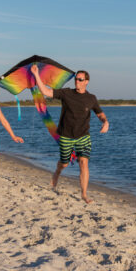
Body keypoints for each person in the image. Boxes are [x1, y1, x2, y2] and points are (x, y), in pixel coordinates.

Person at [33, 64, 109, 204]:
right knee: (64, 164)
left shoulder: (91, 98)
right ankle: (57, 173)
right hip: (66, 135)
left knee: (83, 163)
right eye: (76, 79)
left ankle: (84, 194)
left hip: (83, 136)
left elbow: (99, 113)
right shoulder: (66, 93)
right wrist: (37, 75)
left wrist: (105, 122)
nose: (77, 81)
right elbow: (46, 92)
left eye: (80, 79)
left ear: (86, 81)